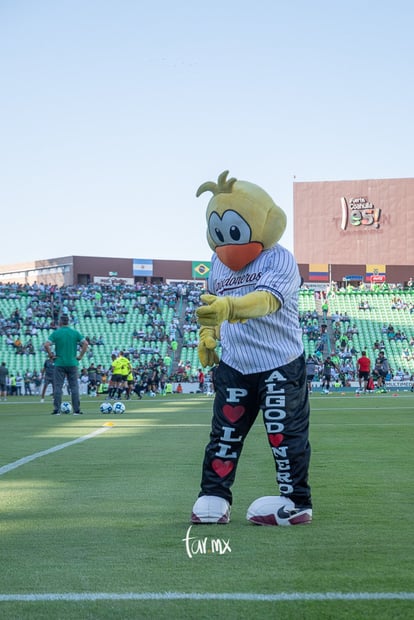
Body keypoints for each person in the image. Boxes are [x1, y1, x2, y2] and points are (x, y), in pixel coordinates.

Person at [191, 170, 312, 526]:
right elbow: (212, 304)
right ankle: (214, 495)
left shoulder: (279, 259)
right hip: (235, 363)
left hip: (279, 362)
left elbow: (267, 301)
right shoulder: (217, 264)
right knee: (224, 434)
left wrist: (231, 307)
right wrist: (208, 334)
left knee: (284, 434)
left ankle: (296, 501)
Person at [44, 315, 89, 415]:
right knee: (74, 387)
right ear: (68, 322)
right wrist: (80, 356)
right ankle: (76, 410)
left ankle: (57, 410)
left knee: (58, 387)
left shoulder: (56, 333)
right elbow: (85, 344)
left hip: (59, 363)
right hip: (72, 363)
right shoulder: (74, 332)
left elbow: (46, 345)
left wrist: (51, 355)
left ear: (60, 322)